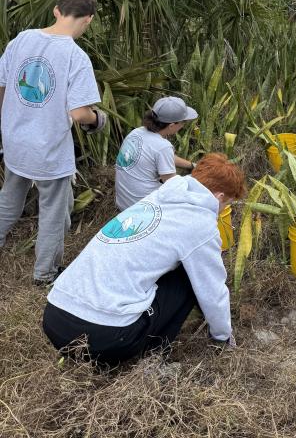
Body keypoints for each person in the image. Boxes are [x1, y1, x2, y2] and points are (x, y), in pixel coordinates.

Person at [42, 153, 246, 366]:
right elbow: (212, 290)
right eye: (227, 203)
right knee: (189, 277)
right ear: (220, 196)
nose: (223, 210)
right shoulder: (200, 224)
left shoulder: (156, 198)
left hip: (55, 319)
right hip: (105, 338)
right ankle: (154, 356)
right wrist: (222, 337)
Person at [0, 0, 106, 284]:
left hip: (15, 141)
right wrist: (98, 119)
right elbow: (81, 113)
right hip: (48, 150)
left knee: (9, 197)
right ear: (88, 20)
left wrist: (7, 120)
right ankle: (44, 273)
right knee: (54, 213)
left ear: (57, 11)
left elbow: (2, 84)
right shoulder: (76, 56)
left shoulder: (22, 39)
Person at [115, 96, 198, 211]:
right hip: (143, 209)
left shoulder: (136, 132)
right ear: (172, 125)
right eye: (183, 123)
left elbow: (164, 157)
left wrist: (193, 166)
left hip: (124, 202)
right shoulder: (163, 146)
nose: (183, 126)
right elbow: (171, 185)